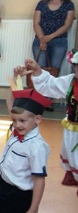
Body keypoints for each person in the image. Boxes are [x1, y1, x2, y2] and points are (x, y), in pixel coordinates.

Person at [23, 52, 78, 189]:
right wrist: (37, 70)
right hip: (72, 130)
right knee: (72, 154)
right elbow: (50, 85)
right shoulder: (71, 82)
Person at [32, 0, 75, 74]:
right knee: (40, 70)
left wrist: (49, 37)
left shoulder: (69, 4)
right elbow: (36, 23)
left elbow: (67, 25)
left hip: (59, 41)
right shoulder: (42, 3)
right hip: (40, 40)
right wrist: (42, 39)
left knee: (54, 70)